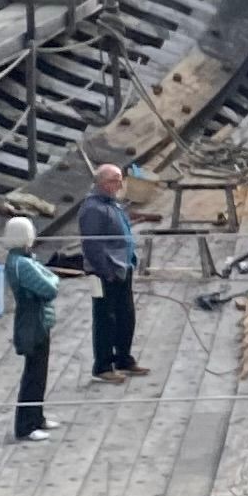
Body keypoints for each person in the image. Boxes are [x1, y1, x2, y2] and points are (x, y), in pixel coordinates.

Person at [77, 161, 140, 382]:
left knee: (126, 316)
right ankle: (103, 365)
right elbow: (91, 245)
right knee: (105, 319)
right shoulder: (93, 208)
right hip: (106, 273)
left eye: (120, 179)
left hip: (123, 267)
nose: (120, 184)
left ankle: (124, 358)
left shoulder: (113, 204)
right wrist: (106, 271)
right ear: (103, 183)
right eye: (115, 180)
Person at [1, 214, 60, 440]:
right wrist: (52, 278)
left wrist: (50, 277)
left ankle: (37, 416)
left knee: (39, 372)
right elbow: (50, 287)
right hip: (33, 323)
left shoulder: (21, 260)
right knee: (33, 374)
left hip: (36, 320)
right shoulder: (23, 265)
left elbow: (48, 278)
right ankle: (25, 425)